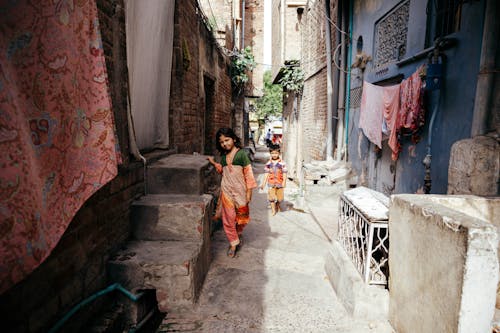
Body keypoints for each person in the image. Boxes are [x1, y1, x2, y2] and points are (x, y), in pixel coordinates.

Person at [207, 128, 257, 258]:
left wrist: (249, 192)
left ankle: (238, 233)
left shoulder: (241, 155)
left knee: (242, 218)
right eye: (222, 142)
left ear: (234, 139)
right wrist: (213, 162)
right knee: (228, 218)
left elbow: (249, 175)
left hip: (240, 192)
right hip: (227, 191)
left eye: (227, 140)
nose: (225, 144)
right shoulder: (223, 157)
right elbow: (223, 170)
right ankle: (233, 242)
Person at [260, 145, 287, 216]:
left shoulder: (282, 163)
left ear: (279, 153)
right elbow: (266, 174)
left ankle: (277, 205)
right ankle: (273, 210)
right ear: (270, 153)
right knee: (271, 198)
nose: (274, 155)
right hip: (271, 183)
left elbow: (284, 173)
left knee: (280, 199)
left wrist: (284, 182)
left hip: (279, 183)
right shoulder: (268, 164)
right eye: (272, 153)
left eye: (276, 153)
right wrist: (263, 184)